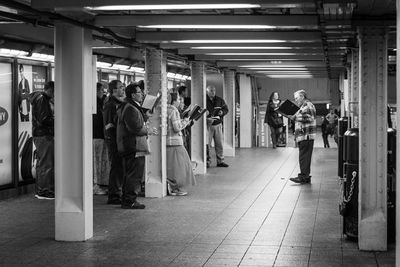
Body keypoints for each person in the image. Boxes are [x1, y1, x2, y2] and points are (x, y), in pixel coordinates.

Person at [116, 84, 156, 209]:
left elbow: (136, 122)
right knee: (134, 174)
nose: (142, 94)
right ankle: (130, 201)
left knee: (129, 174)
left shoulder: (129, 106)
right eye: (139, 92)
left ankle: (127, 199)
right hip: (134, 146)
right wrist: (148, 130)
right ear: (133, 95)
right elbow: (136, 128)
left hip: (128, 146)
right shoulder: (130, 108)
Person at [166, 92, 196, 195]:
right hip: (176, 142)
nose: (180, 102)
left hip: (167, 142)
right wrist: (186, 121)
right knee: (181, 167)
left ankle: (172, 187)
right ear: (174, 101)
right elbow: (177, 127)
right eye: (179, 100)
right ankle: (177, 188)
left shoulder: (166, 109)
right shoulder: (174, 111)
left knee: (171, 167)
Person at [29, 81, 55, 199]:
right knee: (46, 164)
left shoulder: (41, 99)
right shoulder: (42, 100)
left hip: (41, 135)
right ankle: (44, 191)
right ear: (50, 89)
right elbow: (44, 119)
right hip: (43, 135)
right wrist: (58, 119)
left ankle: (42, 189)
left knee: (43, 163)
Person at [103, 80, 125, 204]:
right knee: (116, 167)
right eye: (121, 87)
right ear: (114, 90)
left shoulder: (119, 103)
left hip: (119, 139)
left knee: (120, 167)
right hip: (114, 140)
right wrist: (114, 139)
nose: (123, 89)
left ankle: (118, 192)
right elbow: (109, 125)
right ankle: (114, 195)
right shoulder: (110, 105)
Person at [288, 90, 316, 184]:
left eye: (297, 98)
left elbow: (311, 118)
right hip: (303, 136)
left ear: (302, 96)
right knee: (304, 157)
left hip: (306, 136)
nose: (296, 100)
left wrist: (295, 117)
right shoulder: (303, 107)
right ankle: (305, 176)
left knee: (304, 157)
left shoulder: (308, 105)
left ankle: (303, 176)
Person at [206, 85, 229, 168]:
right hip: (208, 125)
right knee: (207, 144)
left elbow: (226, 109)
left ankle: (220, 161)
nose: (213, 92)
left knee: (219, 144)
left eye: (214, 90)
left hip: (218, 124)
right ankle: (207, 162)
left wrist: (222, 112)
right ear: (207, 91)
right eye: (211, 90)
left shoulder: (220, 100)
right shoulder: (204, 100)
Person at [92, 83, 108, 195]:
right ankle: (95, 185)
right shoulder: (94, 103)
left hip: (100, 135)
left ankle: (98, 184)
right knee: (96, 161)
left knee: (100, 161)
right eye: (101, 90)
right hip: (96, 135)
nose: (103, 92)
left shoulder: (100, 102)